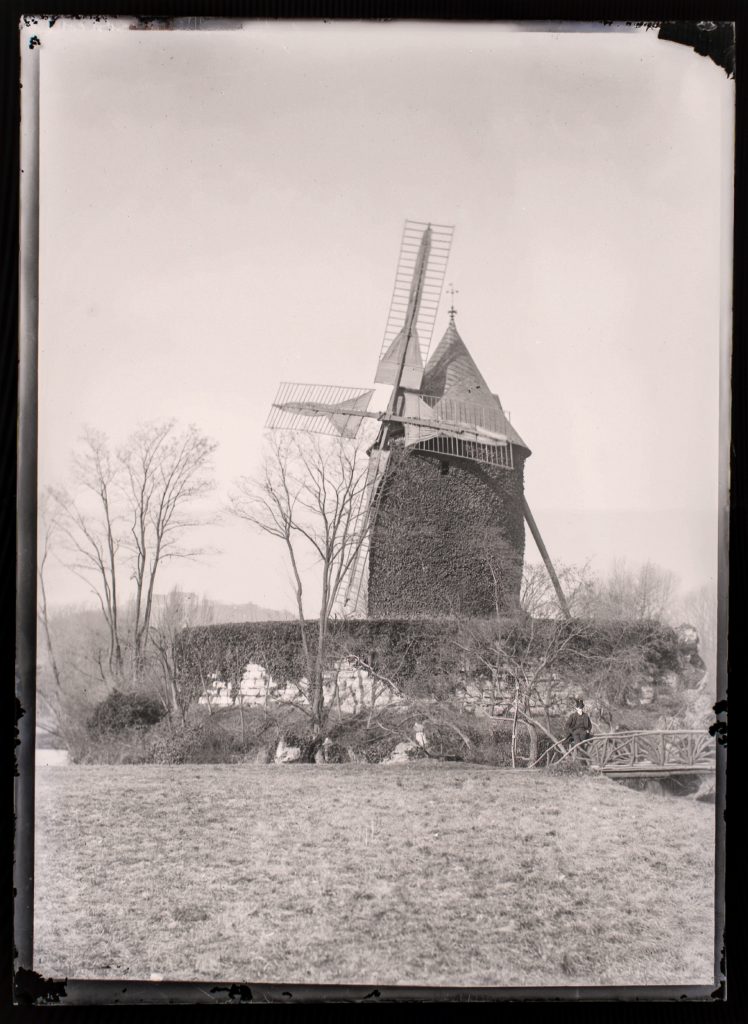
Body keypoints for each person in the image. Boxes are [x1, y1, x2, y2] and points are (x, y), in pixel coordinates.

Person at [565, 698, 593, 763]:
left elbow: (590, 725)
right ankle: (581, 761)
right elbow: (567, 725)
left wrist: (588, 730)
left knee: (582, 746)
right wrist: (571, 732)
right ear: (576, 708)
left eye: (582, 708)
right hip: (575, 733)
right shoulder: (572, 716)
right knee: (579, 746)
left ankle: (583, 761)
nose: (581, 709)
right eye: (580, 708)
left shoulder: (586, 716)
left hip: (584, 732)